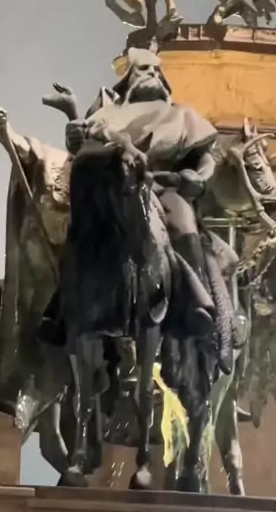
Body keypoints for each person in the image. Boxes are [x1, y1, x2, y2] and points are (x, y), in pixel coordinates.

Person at [62, 46, 224, 335]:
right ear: (128, 78)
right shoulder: (105, 114)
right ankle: (61, 304)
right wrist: (74, 136)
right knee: (75, 229)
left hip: (162, 187)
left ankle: (194, 303)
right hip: (111, 188)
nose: (150, 74)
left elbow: (205, 158)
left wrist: (199, 178)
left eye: (154, 69)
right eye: (142, 69)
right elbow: (84, 149)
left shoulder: (182, 115)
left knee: (183, 225)